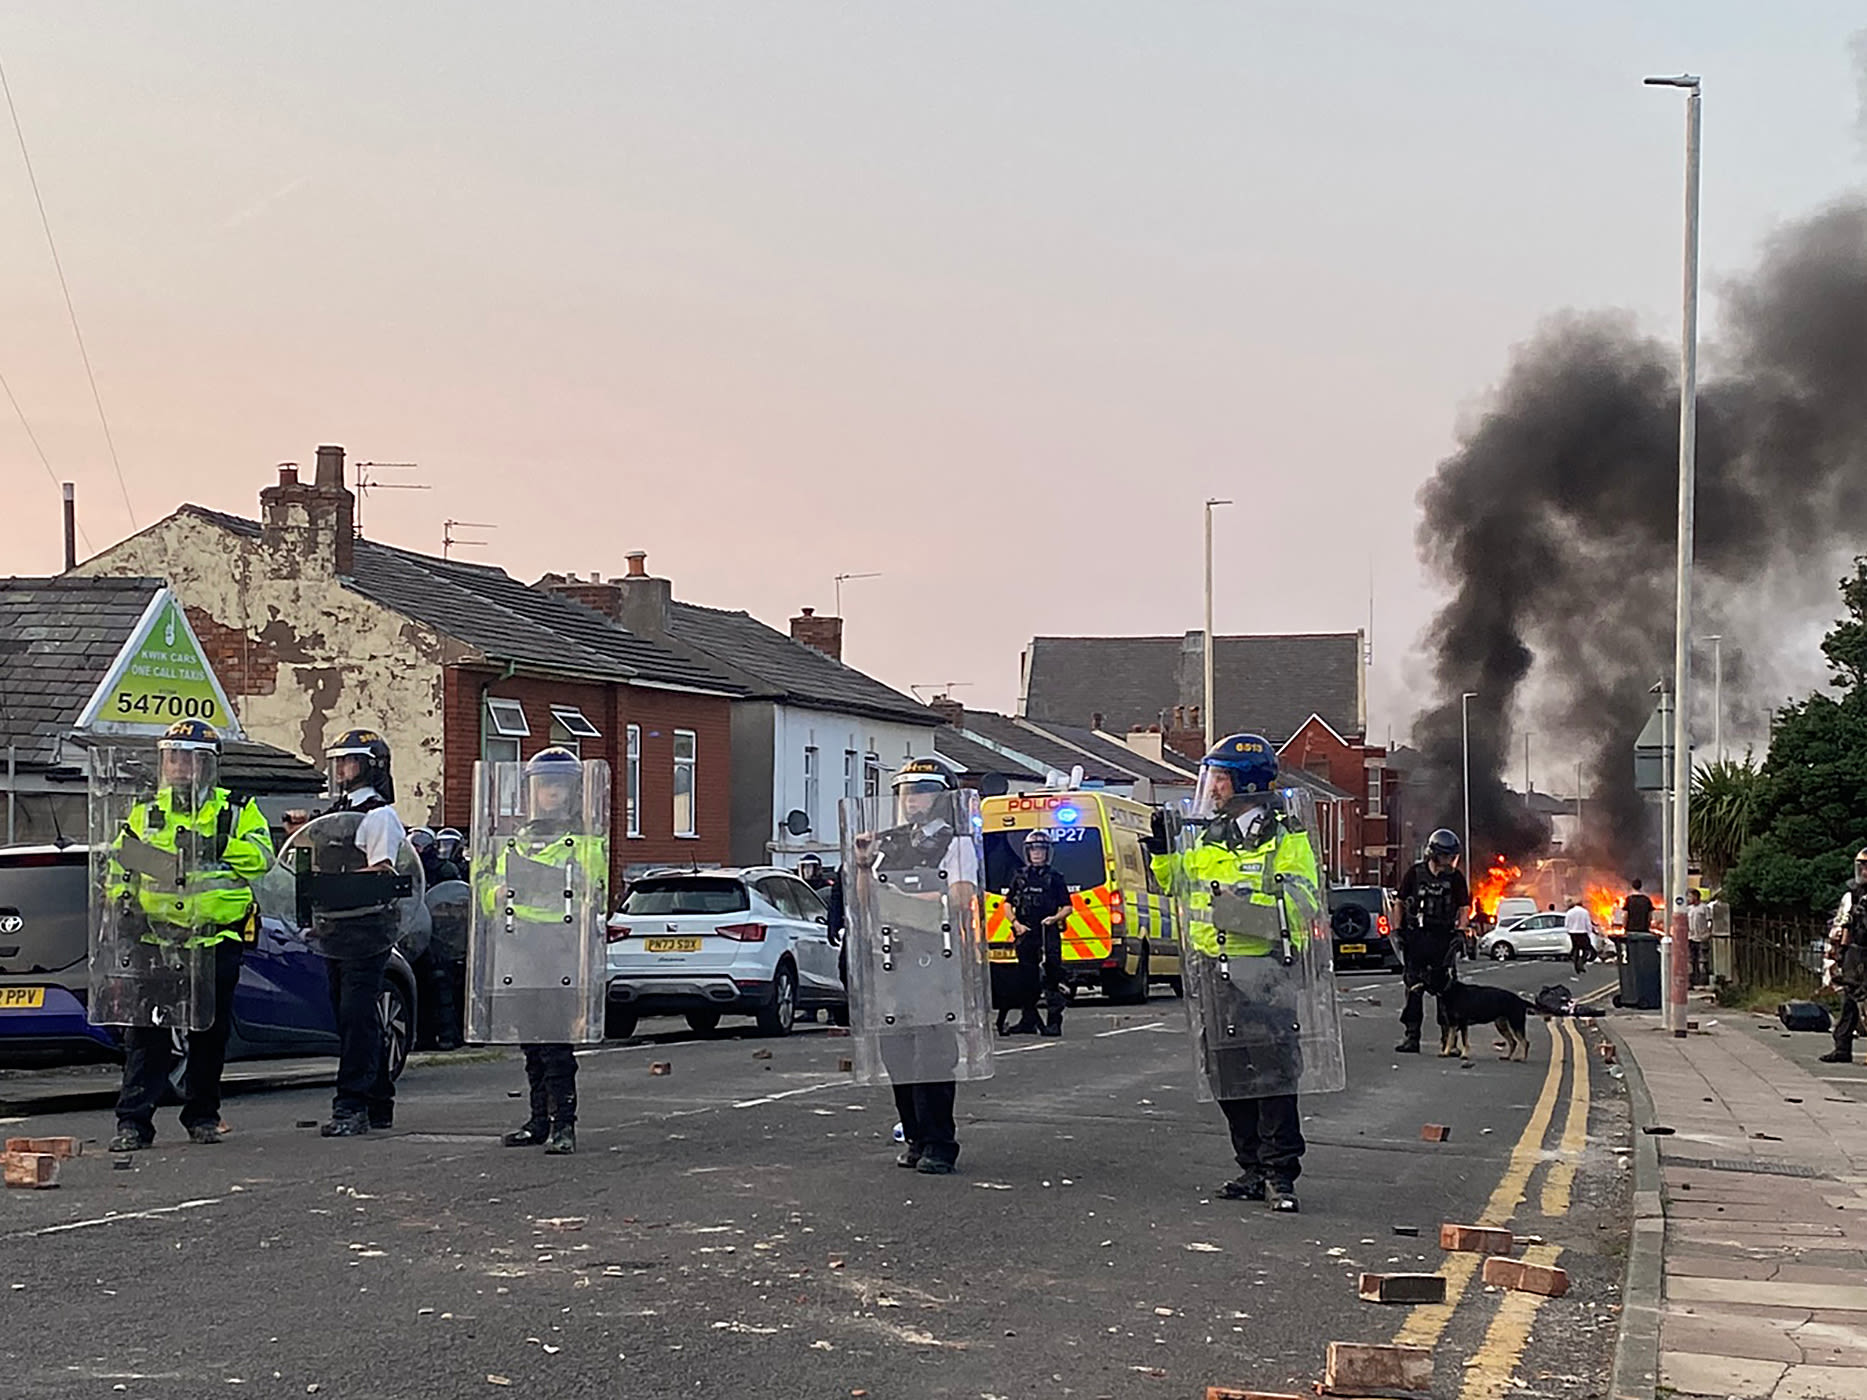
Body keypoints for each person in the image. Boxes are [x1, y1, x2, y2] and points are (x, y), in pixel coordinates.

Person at [1146, 733, 1327, 1214]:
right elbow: (1176, 885)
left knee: (1273, 1072)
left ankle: (1279, 1172)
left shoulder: (1287, 838)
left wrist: (1239, 909)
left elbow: (1303, 902)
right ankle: (1250, 1165)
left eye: (1221, 777)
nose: (1214, 788)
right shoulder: (1208, 835)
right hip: (1213, 970)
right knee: (1225, 1070)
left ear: (1246, 782)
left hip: (1265, 970)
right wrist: (1162, 849)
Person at [105, 721, 274, 1152]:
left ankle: (202, 1116)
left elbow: (262, 859)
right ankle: (134, 1123)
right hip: (157, 941)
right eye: (171, 756)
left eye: (186, 757)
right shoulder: (145, 810)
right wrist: (124, 906)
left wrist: (220, 844)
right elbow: (121, 867)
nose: (177, 766)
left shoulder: (236, 809)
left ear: (206, 764)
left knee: (208, 1037)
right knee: (147, 1036)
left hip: (215, 940)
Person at [846, 756, 981, 1175]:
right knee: (897, 1056)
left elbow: (957, 897)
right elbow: (866, 902)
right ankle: (916, 1135)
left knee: (933, 1055)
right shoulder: (888, 843)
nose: (912, 801)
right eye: (907, 793)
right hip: (890, 958)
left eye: (922, 792)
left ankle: (941, 1143)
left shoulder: (955, 843)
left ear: (941, 798)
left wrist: (901, 903)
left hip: (934, 956)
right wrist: (865, 866)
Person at [490, 747, 607, 1156]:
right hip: (520, 945)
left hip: (559, 946)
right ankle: (538, 1119)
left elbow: (593, 890)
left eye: (558, 787)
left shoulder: (585, 842)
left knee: (556, 1041)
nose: (550, 794)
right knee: (531, 1042)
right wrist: (497, 893)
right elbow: (488, 889)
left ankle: (565, 1125)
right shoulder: (516, 841)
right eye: (543, 786)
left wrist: (547, 882)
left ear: (573, 792)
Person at [315, 727, 410, 1137]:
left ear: (371, 766)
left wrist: (338, 881)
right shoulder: (336, 811)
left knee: (357, 1015)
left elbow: (382, 869)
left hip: (368, 927)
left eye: (348, 761)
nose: (341, 768)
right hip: (337, 926)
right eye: (337, 761)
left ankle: (351, 1104)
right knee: (353, 1016)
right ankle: (378, 1098)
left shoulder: (378, 815)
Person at [1394, 829, 1470, 1054]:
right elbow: (1399, 901)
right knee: (1414, 988)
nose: (1450, 861)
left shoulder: (1455, 878)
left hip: (1443, 939)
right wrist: (1397, 930)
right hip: (1417, 938)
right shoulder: (1415, 874)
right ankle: (1411, 1037)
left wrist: (1460, 931)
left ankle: (1448, 1041)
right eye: (1447, 856)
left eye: (1452, 856)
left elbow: (1464, 907)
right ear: (1434, 854)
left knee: (1446, 991)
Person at [999, 830, 1072, 1036]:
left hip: (1047, 932)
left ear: (1047, 853)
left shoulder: (1055, 878)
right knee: (1026, 979)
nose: (1037, 854)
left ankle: (1054, 1022)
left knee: (1052, 976)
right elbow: (1007, 905)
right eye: (1033, 850)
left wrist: (1054, 919)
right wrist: (1015, 924)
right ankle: (1028, 1020)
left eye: (1040, 850)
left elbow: (1067, 906)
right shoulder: (1020, 876)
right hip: (1025, 934)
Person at [1820, 848, 1867, 1065]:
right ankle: (1842, 1046)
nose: (1865, 871)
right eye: (1862, 866)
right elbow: (1843, 924)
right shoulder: (1853, 895)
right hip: (1855, 952)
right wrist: (1837, 952)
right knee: (1849, 1000)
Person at [1563, 896, 1595, 978]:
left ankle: (1577, 967)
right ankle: (1581, 962)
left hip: (1573, 933)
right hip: (1582, 933)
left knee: (1576, 949)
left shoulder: (1570, 912)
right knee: (1587, 950)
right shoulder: (1584, 912)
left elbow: (1566, 924)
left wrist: (1569, 931)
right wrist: (1589, 933)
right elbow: (1588, 924)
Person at [1686, 888, 1712, 986]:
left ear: (1696, 896)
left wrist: (1708, 932)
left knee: (1702, 959)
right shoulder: (1689, 909)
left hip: (1702, 937)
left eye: (1690, 896)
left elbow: (1709, 920)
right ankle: (1693, 979)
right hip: (1691, 937)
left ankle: (1703, 979)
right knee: (1692, 959)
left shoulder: (1704, 908)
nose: (1689, 898)